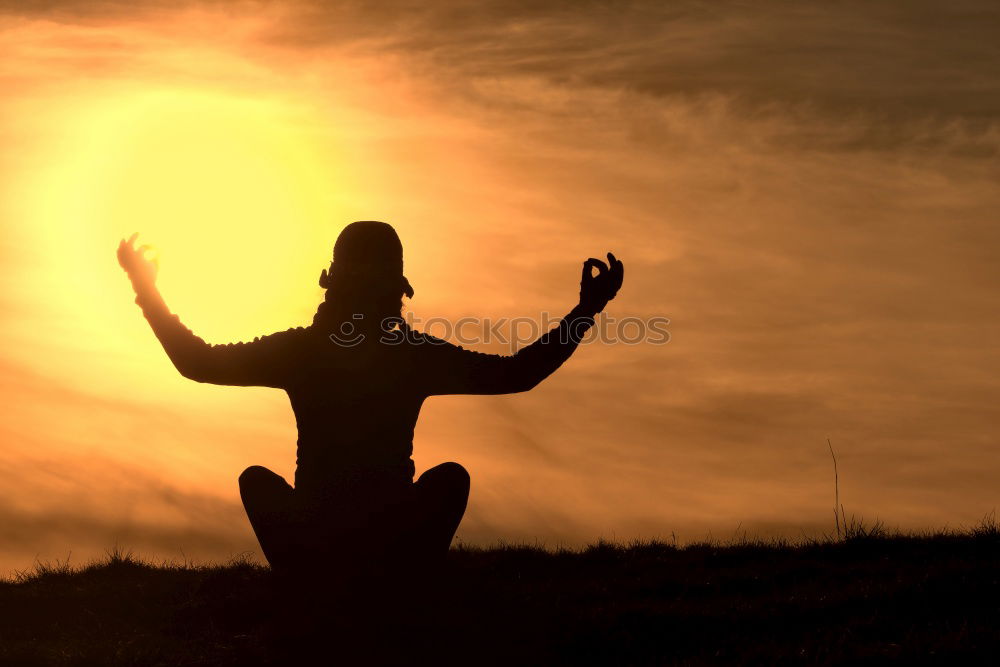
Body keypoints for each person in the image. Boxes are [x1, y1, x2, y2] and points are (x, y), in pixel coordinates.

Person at [117, 221, 624, 576]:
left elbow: (197, 363)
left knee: (257, 482)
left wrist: (147, 292)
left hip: (317, 538)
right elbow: (519, 373)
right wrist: (586, 310)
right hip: (391, 538)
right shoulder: (410, 354)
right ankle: (403, 577)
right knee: (450, 479)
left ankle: (308, 579)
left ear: (331, 283)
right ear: (397, 290)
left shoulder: (304, 350)